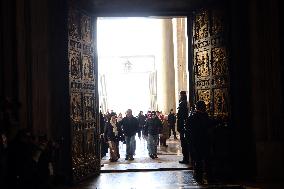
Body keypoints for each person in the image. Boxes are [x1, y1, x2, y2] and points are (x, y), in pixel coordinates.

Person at [188, 100, 213, 183]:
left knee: (198, 161)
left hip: (196, 142)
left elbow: (189, 131)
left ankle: (199, 178)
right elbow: (210, 124)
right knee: (207, 160)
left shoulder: (192, 118)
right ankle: (209, 177)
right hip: (205, 141)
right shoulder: (206, 117)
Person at [177, 91, 189, 164]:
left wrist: (180, 127)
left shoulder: (182, 104)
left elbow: (181, 117)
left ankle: (186, 159)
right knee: (185, 144)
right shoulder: (186, 103)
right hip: (184, 127)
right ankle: (186, 158)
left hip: (183, 128)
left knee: (184, 144)